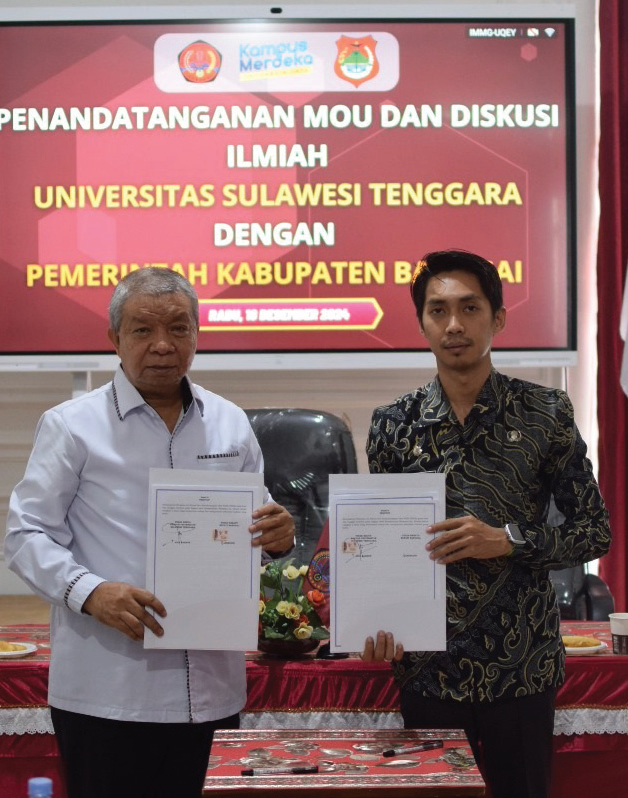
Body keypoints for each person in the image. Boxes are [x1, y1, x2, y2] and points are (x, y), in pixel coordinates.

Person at [4, 267, 295, 798]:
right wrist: (89, 592)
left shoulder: (229, 423)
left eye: (179, 328)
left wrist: (278, 531)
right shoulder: (72, 425)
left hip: (212, 690)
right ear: (114, 339)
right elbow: (25, 533)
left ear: (196, 336)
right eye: (142, 330)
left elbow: (255, 519)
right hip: (108, 691)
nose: (163, 345)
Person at [362, 250, 611, 798]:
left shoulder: (545, 412)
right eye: (438, 310)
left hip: (521, 667)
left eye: (469, 308)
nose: (454, 325)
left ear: (497, 318)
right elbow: (381, 548)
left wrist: (508, 539)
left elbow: (594, 530)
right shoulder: (393, 424)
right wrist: (376, 621)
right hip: (428, 670)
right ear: (422, 322)